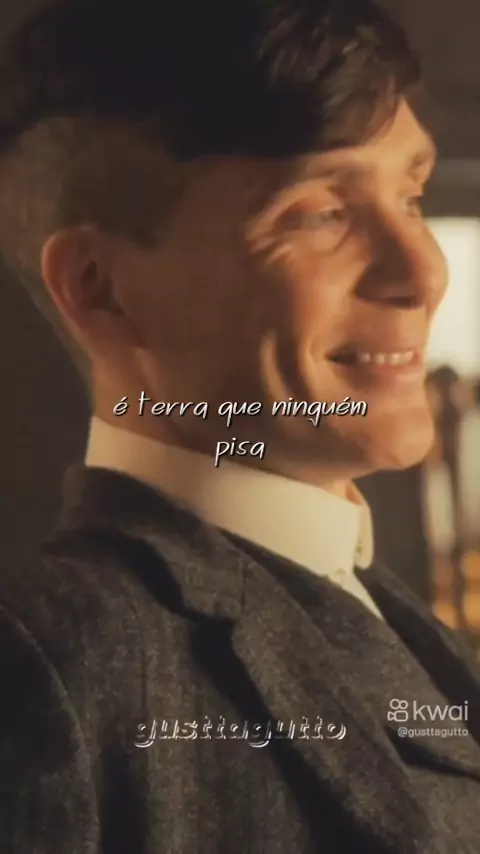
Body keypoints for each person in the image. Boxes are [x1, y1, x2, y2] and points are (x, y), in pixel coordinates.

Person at [0, 1, 479, 852]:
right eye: (319, 214)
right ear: (101, 286)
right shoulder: (41, 665)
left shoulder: (402, 621)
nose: (422, 272)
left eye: (410, 196)